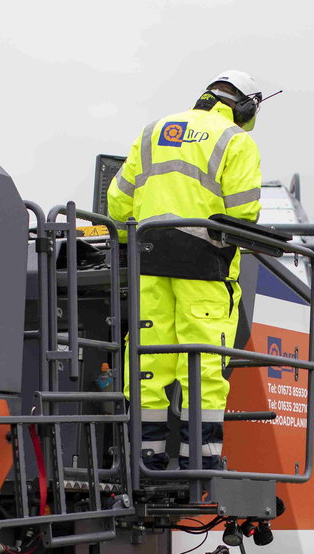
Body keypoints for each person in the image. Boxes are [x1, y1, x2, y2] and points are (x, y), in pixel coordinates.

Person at [107, 70, 265, 471]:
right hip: (204, 265)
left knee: (148, 357)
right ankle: (201, 458)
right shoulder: (236, 140)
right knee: (203, 359)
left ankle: (146, 455)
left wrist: (138, 233)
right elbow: (243, 213)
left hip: (148, 260)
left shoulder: (153, 131)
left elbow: (118, 204)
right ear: (245, 106)